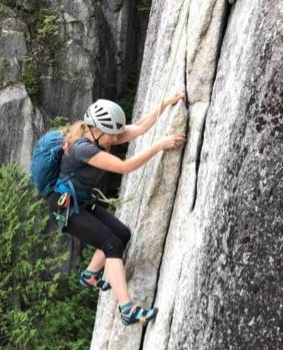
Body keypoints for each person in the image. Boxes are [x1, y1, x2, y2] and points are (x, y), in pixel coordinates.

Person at [49, 95, 186, 326]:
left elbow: (140, 127)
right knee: (111, 243)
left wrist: (167, 102)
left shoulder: (99, 135)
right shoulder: (83, 148)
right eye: (111, 134)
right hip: (66, 208)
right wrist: (160, 145)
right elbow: (124, 167)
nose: (114, 139)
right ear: (97, 130)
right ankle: (127, 310)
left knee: (122, 234)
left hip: (80, 201)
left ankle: (90, 275)